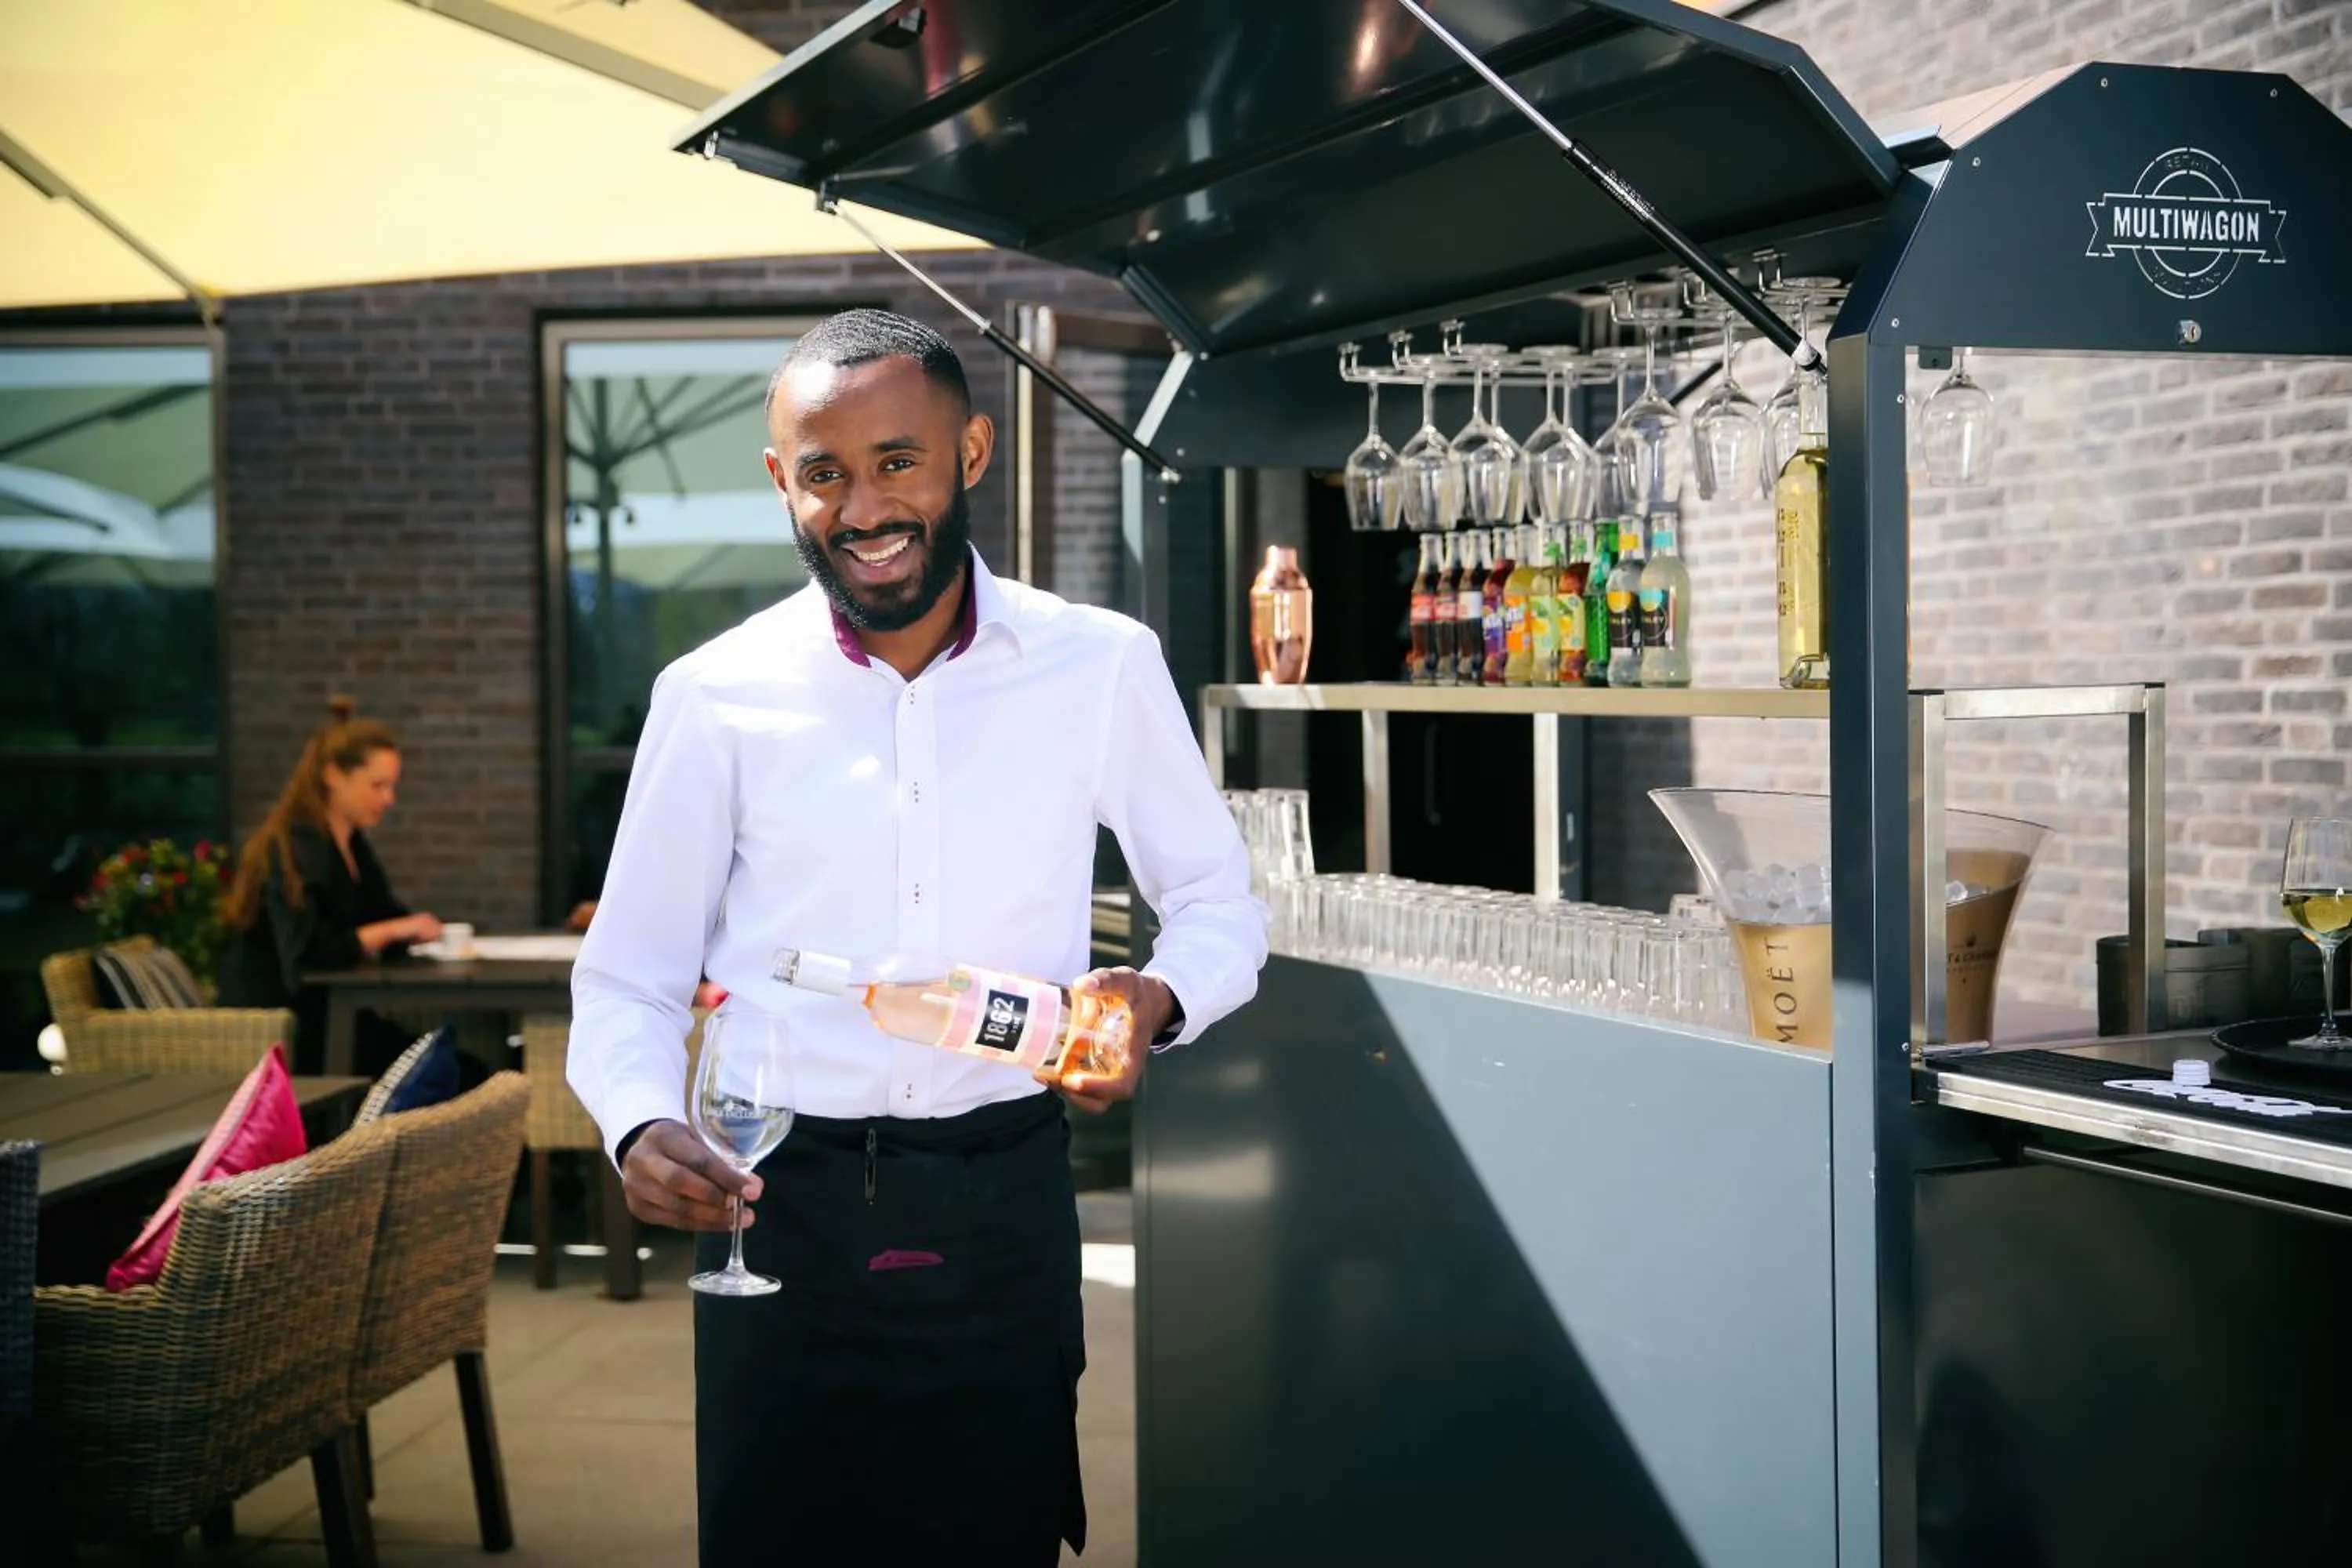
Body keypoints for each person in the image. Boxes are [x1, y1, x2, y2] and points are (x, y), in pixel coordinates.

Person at [568, 308, 1266, 1566]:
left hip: (1000, 1203)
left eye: (899, 460)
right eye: (824, 473)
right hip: (774, 1212)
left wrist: (1154, 1002)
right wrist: (633, 1119)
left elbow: (1221, 902)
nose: (865, 504)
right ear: (782, 481)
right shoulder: (714, 694)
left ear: (974, 451)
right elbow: (627, 978)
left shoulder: (1099, 666)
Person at [218, 696, 445, 1075]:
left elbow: (384, 912)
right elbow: (307, 959)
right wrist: (391, 931)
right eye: (378, 786)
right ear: (334, 776)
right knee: (453, 1071)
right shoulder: (294, 848)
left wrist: (409, 930)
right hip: (287, 1031)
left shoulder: (351, 845)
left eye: (392, 786)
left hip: (336, 1017)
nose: (389, 799)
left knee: (455, 1063)